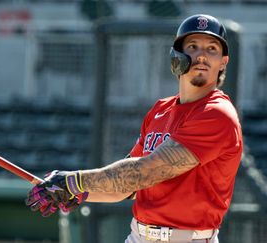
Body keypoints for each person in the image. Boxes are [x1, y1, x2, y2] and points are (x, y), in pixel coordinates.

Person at [26, 14, 243, 243]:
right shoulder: (161, 109)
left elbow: (144, 173)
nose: (201, 55)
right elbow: (128, 189)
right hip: (138, 236)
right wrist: (78, 193)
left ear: (223, 61)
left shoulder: (217, 113)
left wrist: (73, 181)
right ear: (176, 55)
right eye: (192, 46)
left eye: (212, 49)